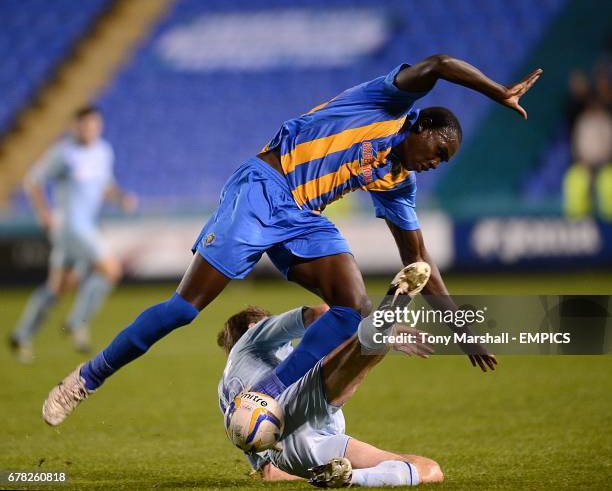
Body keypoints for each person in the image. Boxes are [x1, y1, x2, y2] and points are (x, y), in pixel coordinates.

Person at [42, 54, 541, 425]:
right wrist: (496, 91)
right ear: (421, 125)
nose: (437, 162)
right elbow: (438, 63)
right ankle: (85, 379)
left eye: (445, 162)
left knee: (352, 307)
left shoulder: (397, 182)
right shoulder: (388, 103)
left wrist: (462, 328)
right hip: (263, 187)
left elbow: (419, 262)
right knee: (183, 308)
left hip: (303, 216)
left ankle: (268, 393)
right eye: (439, 149)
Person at [218, 264, 441, 487]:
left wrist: (310, 471)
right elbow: (322, 313)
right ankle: (380, 327)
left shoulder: (226, 397)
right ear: (253, 326)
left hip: (296, 452)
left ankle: (352, 477)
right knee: (352, 349)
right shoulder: (251, 337)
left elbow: (270, 473)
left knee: (426, 470)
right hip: (285, 409)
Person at [9, 106, 136, 363]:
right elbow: (32, 181)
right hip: (70, 226)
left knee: (58, 287)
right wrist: (44, 214)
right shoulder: (63, 153)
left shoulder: (103, 151)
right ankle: (77, 321)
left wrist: (120, 198)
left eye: (94, 125)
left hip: (85, 225)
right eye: (84, 125)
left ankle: (21, 335)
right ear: (74, 127)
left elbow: (104, 185)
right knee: (111, 270)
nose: (90, 130)